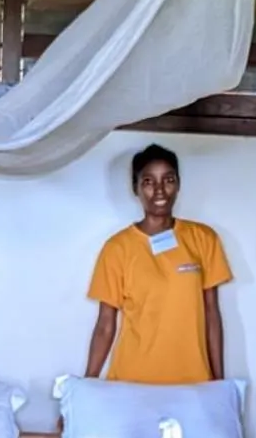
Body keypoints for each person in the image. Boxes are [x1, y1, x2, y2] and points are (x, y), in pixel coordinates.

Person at [85, 144, 232, 383]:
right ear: (136, 188)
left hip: (192, 382)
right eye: (149, 182)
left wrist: (219, 384)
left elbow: (211, 315)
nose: (160, 191)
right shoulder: (117, 248)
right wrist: (84, 390)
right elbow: (104, 325)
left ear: (178, 184)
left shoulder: (203, 238)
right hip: (131, 383)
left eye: (168, 179)